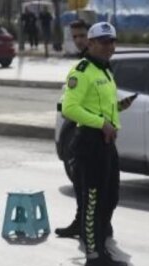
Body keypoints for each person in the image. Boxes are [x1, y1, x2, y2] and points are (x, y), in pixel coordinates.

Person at [61, 22, 136, 266]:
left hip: (105, 143)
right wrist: (101, 123)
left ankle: (100, 248)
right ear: (91, 44)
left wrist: (118, 108)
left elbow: (100, 104)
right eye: (104, 42)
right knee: (93, 202)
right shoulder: (81, 71)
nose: (110, 47)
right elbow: (69, 108)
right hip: (89, 143)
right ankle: (94, 259)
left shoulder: (104, 70)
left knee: (110, 196)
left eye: (112, 42)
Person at [55, 20, 91, 239]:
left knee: (86, 182)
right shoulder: (84, 60)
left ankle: (89, 225)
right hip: (84, 127)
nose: (78, 40)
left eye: (82, 36)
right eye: (75, 36)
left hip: (89, 130)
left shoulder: (91, 62)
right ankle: (89, 223)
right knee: (82, 181)